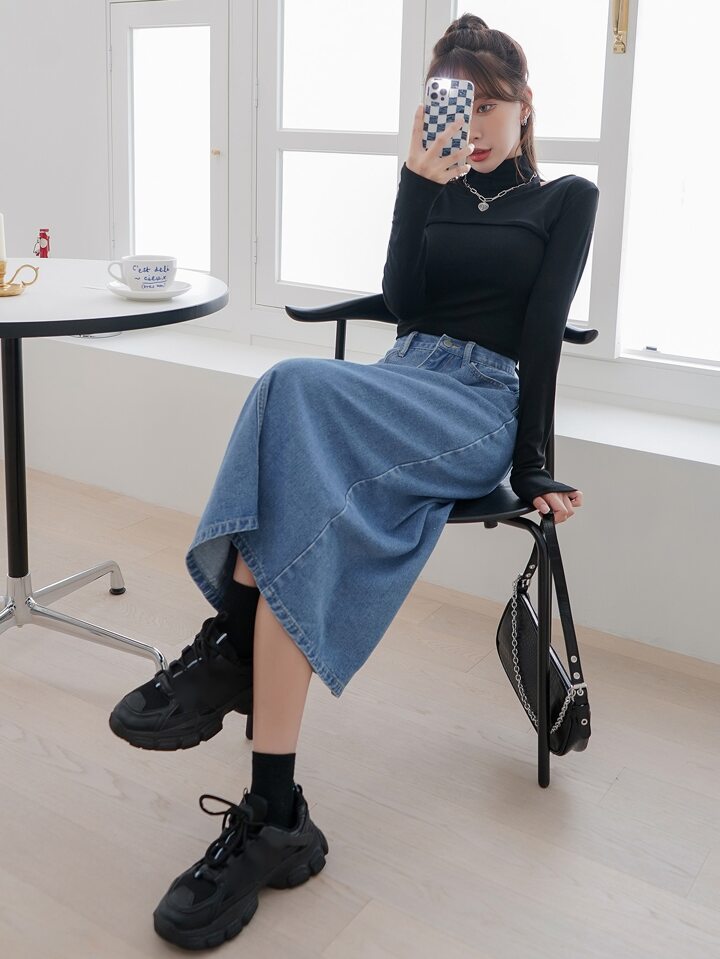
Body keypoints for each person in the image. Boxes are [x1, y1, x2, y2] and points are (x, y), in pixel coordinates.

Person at [108, 13, 599, 951]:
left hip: (478, 405)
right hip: (401, 380)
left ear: (525, 107)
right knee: (291, 462)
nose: (474, 125)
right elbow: (406, 304)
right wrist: (417, 182)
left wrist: (532, 462)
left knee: (289, 385)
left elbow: (541, 333)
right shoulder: (434, 182)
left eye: (490, 106)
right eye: (457, 105)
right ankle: (275, 810)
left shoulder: (567, 199)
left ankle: (231, 649)